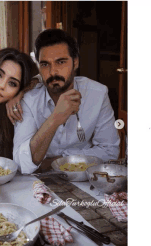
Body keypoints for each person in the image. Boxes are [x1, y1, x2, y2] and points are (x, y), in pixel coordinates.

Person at [13, 29, 120, 174]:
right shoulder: (29, 100)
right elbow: (21, 163)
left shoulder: (97, 94)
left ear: (75, 62)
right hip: (39, 182)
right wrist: (56, 118)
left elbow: (110, 150)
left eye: (61, 62)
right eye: (45, 64)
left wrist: (56, 162)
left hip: (84, 179)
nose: (53, 72)